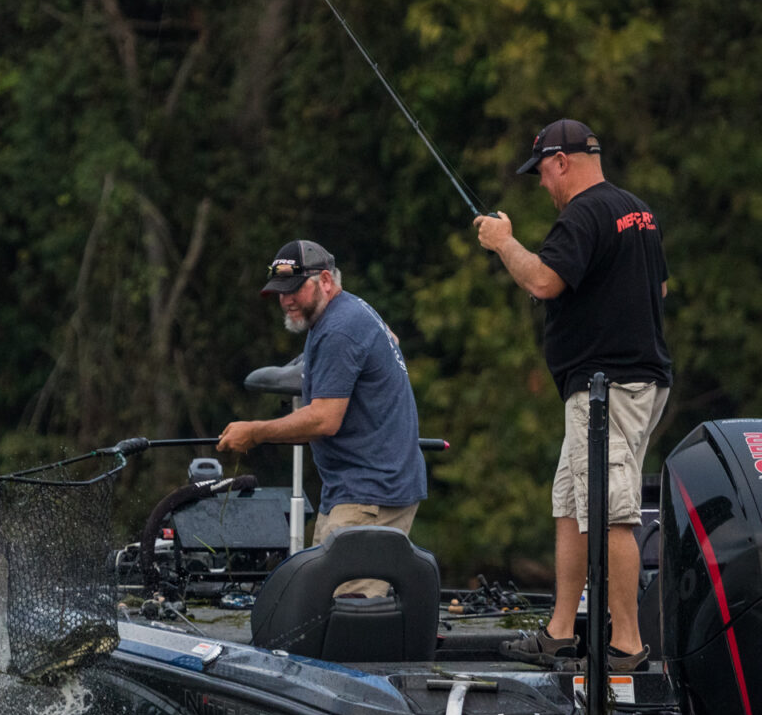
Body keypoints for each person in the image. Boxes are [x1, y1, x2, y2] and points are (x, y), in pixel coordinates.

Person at [474, 119, 672, 670]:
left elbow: (543, 281)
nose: (542, 184)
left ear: (561, 160)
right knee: (570, 503)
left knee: (610, 511)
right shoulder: (638, 211)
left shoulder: (583, 212)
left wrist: (502, 241)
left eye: (541, 171)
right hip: (631, 381)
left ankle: (627, 644)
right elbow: (658, 288)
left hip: (607, 388)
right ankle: (562, 631)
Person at [218, 240, 427, 595]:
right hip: (355, 489)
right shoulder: (351, 310)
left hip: (372, 493)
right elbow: (388, 339)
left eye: (294, 289)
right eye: (279, 292)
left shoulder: (339, 329)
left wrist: (255, 432)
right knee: (318, 600)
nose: (286, 300)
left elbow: (325, 420)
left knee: (349, 612)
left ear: (326, 281)